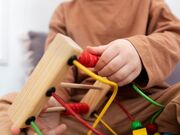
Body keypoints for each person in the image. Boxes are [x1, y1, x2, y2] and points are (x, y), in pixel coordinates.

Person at [0, 0, 180, 134]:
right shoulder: (65, 11)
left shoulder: (147, 2)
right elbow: (58, 63)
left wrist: (140, 51)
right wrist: (51, 101)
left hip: (141, 105)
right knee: (8, 106)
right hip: (78, 112)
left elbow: (174, 35)